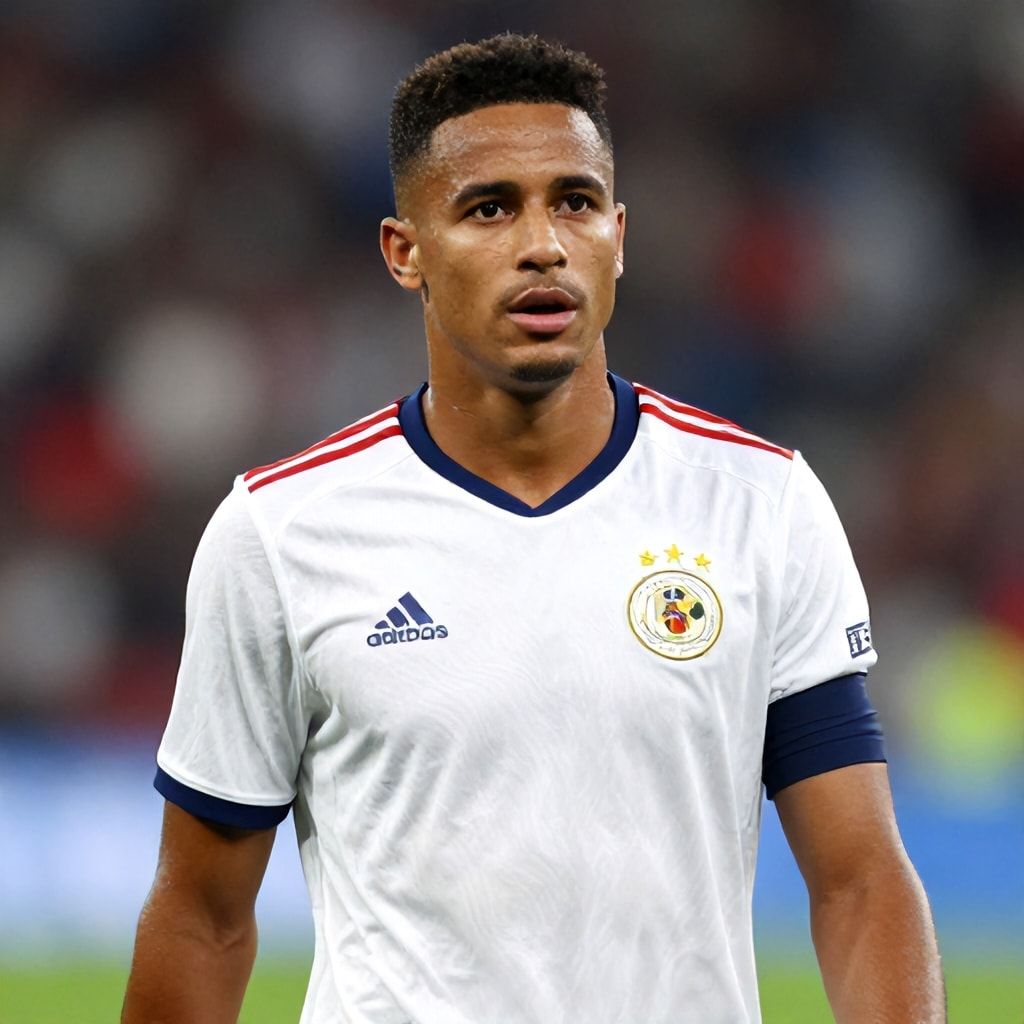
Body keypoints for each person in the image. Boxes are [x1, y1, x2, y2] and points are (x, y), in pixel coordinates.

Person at [122, 33, 945, 1024]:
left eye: (575, 202)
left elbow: (859, 880)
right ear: (405, 252)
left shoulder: (761, 505)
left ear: (619, 237)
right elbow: (203, 915)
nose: (543, 244)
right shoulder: (281, 533)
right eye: (489, 208)